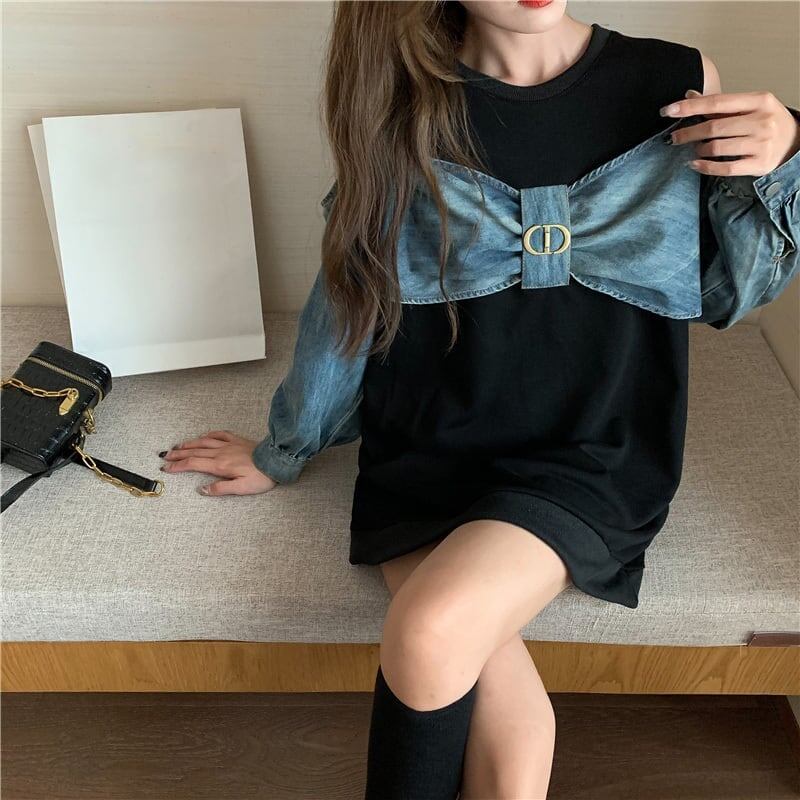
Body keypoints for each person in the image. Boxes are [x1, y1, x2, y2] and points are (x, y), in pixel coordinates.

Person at [160, 3, 800, 797]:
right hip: (424, 439)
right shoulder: (399, 95)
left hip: (592, 449)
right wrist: (285, 447)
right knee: (492, 707)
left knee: (431, 628)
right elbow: (351, 298)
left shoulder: (672, 79)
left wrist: (787, 152)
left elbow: (726, 294)